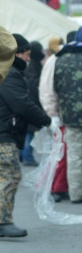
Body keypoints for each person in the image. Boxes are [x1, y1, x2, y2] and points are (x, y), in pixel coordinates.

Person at [0, 34, 52, 238]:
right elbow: (22, 104)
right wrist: (47, 121)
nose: (29, 59)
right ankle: (2, 221)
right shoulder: (9, 74)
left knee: (4, 176)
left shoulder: (6, 72)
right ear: (17, 53)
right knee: (10, 175)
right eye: (27, 55)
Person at [40, 31, 77, 202]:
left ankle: (62, 186)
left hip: (66, 115)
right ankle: (57, 187)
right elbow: (47, 89)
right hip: (62, 116)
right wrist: (52, 114)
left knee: (67, 152)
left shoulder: (58, 59)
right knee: (61, 153)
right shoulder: (56, 60)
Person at [53, 27, 82, 204]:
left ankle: (76, 194)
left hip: (70, 116)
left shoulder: (61, 60)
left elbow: (56, 87)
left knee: (74, 155)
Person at [21, 41, 45, 166]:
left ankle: (24, 155)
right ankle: (27, 156)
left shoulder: (29, 64)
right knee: (29, 131)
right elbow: (34, 84)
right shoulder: (33, 65)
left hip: (29, 100)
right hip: (32, 101)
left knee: (27, 130)